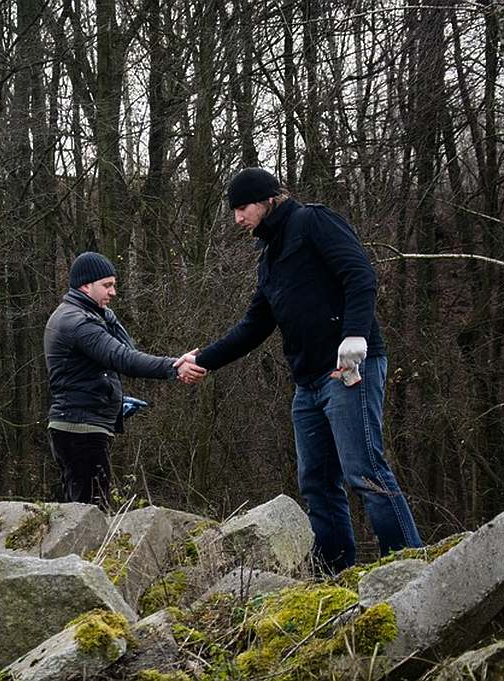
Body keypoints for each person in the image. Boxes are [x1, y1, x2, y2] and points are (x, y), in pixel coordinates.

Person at [174, 168, 422, 573]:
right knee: (316, 484)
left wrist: (355, 336)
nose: (238, 218)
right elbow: (254, 325)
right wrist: (203, 360)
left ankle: (410, 567)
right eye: (234, 210)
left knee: (364, 471)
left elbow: (360, 274)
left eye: (242, 207)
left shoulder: (313, 221)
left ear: (268, 198)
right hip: (307, 384)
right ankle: (336, 575)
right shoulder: (269, 257)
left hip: (347, 369)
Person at [44, 252, 204, 509]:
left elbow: (122, 350)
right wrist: (174, 367)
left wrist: (107, 315)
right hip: (80, 430)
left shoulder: (89, 315)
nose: (113, 292)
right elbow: (124, 358)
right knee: (91, 514)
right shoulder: (78, 322)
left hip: (84, 426)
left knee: (90, 509)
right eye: (107, 285)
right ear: (85, 286)